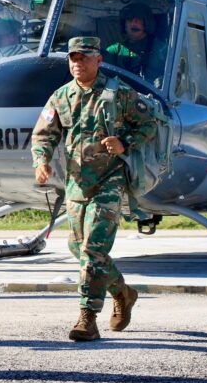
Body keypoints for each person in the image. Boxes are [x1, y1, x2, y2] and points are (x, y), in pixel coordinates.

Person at [31, 37, 158, 342]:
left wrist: (124, 143)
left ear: (98, 60)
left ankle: (87, 317)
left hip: (109, 180)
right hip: (77, 182)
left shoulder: (117, 94)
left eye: (84, 57)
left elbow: (149, 124)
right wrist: (42, 162)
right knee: (79, 250)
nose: (78, 62)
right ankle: (123, 292)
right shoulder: (61, 96)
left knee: (93, 250)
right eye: (73, 58)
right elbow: (43, 134)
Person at [106, 2, 165, 86]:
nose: (134, 23)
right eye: (130, 19)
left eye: (139, 19)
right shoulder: (115, 50)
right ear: (124, 24)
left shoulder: (162, 50)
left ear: (147, 23)